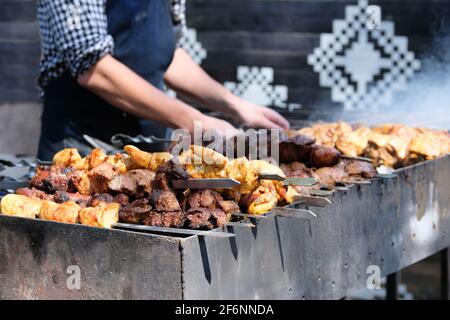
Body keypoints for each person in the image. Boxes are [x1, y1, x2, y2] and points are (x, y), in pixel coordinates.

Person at [36, 0, 289, 160]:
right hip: (80, 148)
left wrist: (235, 106)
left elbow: (167, 55)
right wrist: (195, 121)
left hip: (148, 144)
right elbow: (94, 68)